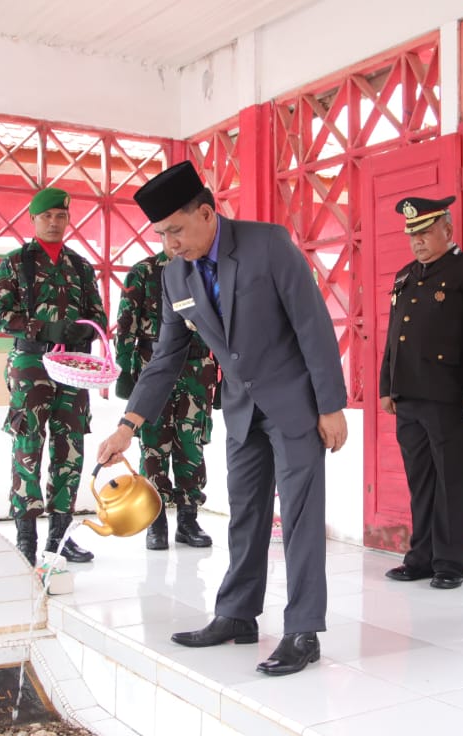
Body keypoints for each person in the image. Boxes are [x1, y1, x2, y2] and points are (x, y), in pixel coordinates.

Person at [97, 161, 348, 677]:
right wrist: (128, 425)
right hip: (239, 409)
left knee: (299, 519)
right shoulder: (175, 276)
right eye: (161, 234)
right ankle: (237, 614)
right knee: (245, 514)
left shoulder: (268, 245)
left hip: (294, 404)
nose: (169, 244)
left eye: (175, 231)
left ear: (206, 213)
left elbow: (313, 324)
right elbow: (166, 358)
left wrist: (331, 406)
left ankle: (303, 629)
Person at [380, 196, 463, 590]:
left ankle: (451, 561)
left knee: (454, 479)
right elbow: (393, 338)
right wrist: (387, 385)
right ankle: (421, 555)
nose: (417, 241)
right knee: (421, 480)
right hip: (410, 395)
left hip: (452, 396)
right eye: (412, 234)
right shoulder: (405, 275)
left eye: (425, 232)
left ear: (447, 231)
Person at [0, 187, 107, 566]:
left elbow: (100, 317)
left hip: (75, 369)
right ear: (34, 219)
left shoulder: (81, 266)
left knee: (69, 449)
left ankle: (60, 537)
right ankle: (26, 537)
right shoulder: (16, 262)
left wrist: (84, 331)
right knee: (27, 446)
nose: (54, 222)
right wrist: (45, 328)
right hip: (31, 366)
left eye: (60, 216)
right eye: (47, 217)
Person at [114, 243, 218, 550]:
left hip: (198, 368)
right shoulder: (144, 271)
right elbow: (125, 329)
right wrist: (127, 374)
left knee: (192, 443)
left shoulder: (207, 270)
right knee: (153, 445)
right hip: (153, 365)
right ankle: (155, 520)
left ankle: (188, 520)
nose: (175, 238)